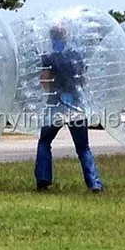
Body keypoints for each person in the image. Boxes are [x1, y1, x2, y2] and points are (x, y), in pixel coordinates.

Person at [34, 24, 103, 192]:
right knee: (83, 147)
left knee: (44, 141)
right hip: (76, 106)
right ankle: (94, 184)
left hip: (55, 105)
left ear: (51, 38)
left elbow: (44, 81)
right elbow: (82, 81)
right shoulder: (76, 56)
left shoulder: (49, 58)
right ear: (66, 37)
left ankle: (43, 180)